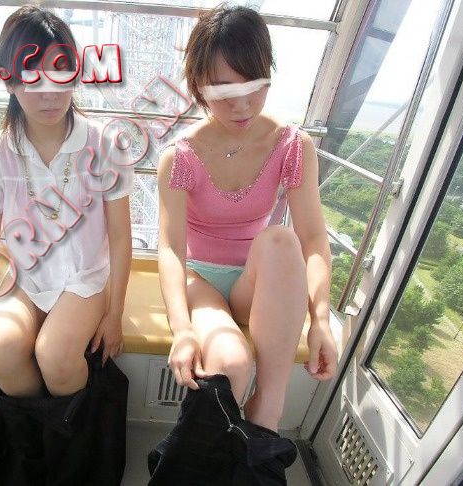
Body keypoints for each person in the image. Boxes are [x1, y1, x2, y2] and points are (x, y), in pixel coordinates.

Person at [157, 3, 338, 434]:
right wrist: (181, 329)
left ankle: (267, 412)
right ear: (199, 86)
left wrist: (320, 320)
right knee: (230, 365)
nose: (241, 104)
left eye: (253, 85)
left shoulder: (292, 146)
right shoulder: (181, 157)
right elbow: (170, 248)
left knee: (280, 239)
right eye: (222, 90)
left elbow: (313, 238)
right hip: (202, 279)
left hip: (258, 280)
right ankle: (210, 453)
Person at [0, 5, 133, 403]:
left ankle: (72, 437)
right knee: (0, 350)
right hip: (26, 278)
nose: (50, 93)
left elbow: (120, 237)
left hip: (85, 277)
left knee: (56, 355)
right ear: (9, 80)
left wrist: (114, 314)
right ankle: (37, 434)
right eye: (32, 77)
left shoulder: (105, 144)